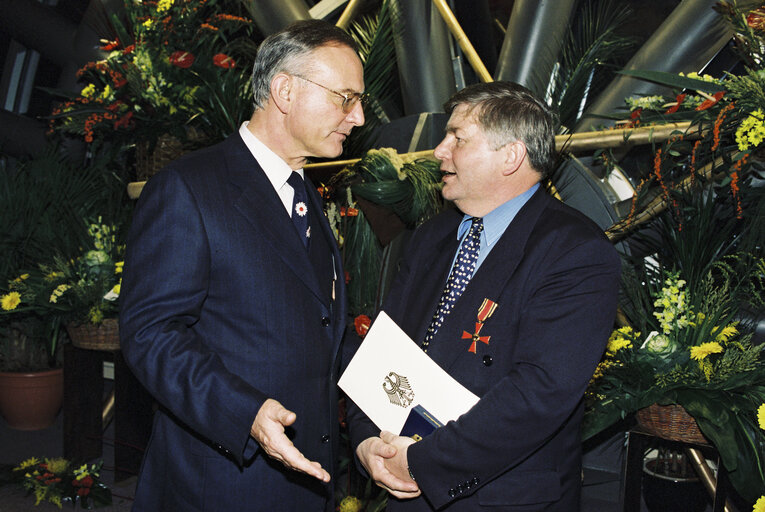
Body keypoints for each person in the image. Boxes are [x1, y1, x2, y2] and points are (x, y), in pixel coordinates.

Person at [119, 19, 365, 511]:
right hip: (222, 481)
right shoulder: (190, 188)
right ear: (285, 90)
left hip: (304, 480)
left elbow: (320, 326)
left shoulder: (305, 195)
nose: (357, 117)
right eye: (345, 98)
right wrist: (246, 413)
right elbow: (150, 332)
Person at [346, 82, 621, 511]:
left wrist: (422, 462)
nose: (439, 150)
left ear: (511, 155)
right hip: (402, 486)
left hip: (498, 498)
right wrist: (366, 443)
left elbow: (538, 395)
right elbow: (381, 351)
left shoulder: (575, 252)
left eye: (457, 137)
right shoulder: (429, 237)